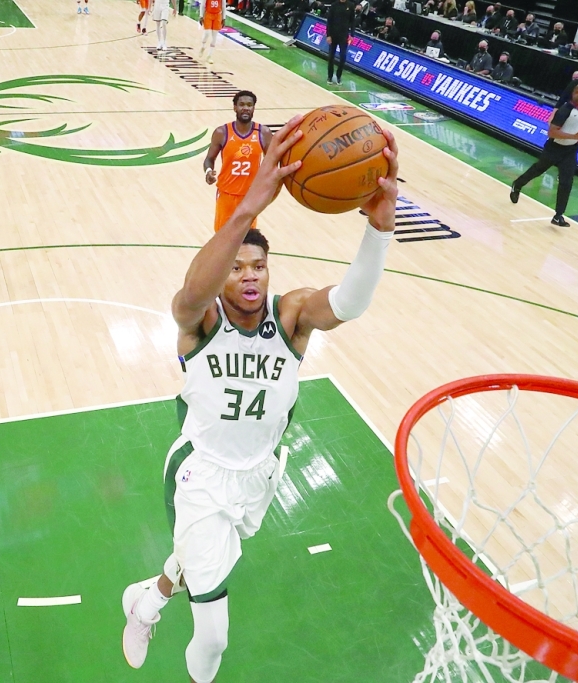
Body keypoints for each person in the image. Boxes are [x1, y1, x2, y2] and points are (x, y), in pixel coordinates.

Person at [120, 112, 399, 683]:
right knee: (215, 634)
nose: (249, 277)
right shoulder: (199, 320)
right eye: (238, 267)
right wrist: (249, 204)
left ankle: (145, 600)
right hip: (201, 473)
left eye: (259, 266)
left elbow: (349, 302)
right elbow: (192, 288)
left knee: (205, 556)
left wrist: (378, 227)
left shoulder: (291, 316)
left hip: (260, 474)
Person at [509, 83, 578, 227]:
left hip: (570, 151)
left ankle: (558, 215)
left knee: (567, 182)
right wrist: (575, 136)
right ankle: (518, 184)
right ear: (572, 93)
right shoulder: (565, 110)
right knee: (538, 169)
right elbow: (552, 132)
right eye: (577, 92)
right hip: (555, 147)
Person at [202, 92, 273, 233]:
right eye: (241, 104)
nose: (245, 108)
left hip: (250, 195)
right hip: (226, 193)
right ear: (235, 108)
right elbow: (209, 159)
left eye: (249, 105)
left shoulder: (263, 133)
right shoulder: (222, 132)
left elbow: (272, 160)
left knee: (247, 238)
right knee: (222, 236)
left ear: (253, 108)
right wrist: (209, 172)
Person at [325, 0, 354, 84]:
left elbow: (352, 21)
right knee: (331, 57)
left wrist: (352, 34)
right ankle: (330, 76)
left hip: (344, 35)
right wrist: (328, 35)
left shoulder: (350, 5)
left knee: (343, 57)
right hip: (333, 34)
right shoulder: (334, 5)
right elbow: (329, 21)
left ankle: (338, 76)